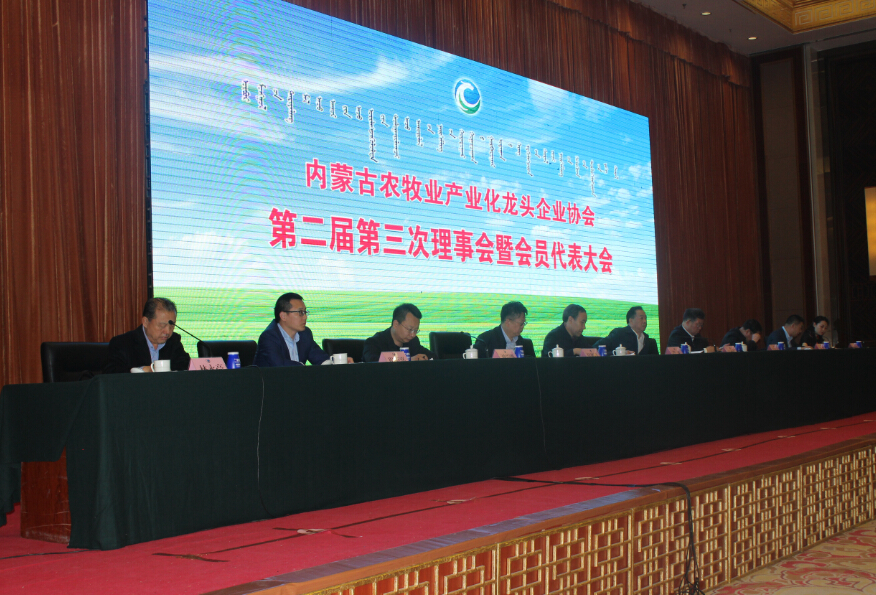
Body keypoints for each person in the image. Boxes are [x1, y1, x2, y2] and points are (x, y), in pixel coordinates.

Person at [253, 293, 344, 366]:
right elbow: (279, 365)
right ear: (283, 316)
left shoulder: (305, 334)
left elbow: (320, 358)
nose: (305, 317)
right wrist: (304, 370)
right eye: (300, 312)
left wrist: (339, 363)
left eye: (305, 312)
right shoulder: (269, 337)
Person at [104, 297, 191, 373]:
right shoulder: (122, 343)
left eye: (172, 326)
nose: (167, 332)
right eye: (162, 325)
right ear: (145, 322)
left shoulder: (173, 341)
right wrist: (142, 370)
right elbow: (111, 374)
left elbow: (185, 367)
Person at [362, 303, 435, 362]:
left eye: (416, 330)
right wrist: (408, 360)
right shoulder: (374, 342)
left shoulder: (413, 341)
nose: (413, 334)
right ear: (396, 324)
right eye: (410, 329)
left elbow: (434, 357)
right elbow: (374, 362)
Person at [592, 306, 658, 355]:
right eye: (641, 318)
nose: (644, 321)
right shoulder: (618, 334)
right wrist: (616, 353)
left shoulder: (650, 342)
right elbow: (594, 349)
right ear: (631, 321)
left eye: (645, 318)